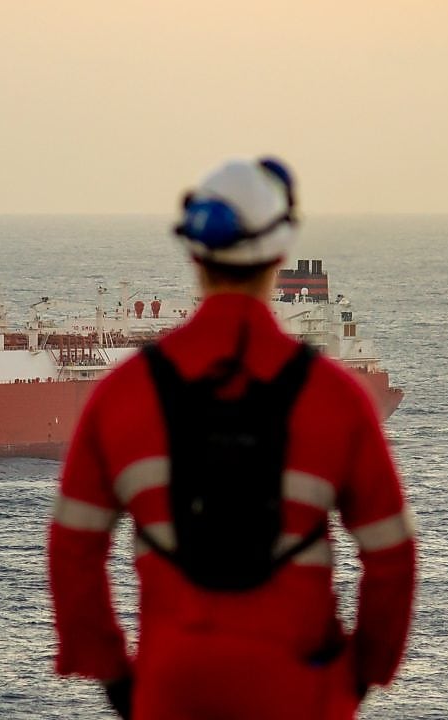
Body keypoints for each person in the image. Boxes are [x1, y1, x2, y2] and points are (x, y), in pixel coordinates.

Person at [48, 157, 417, 719]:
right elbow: (392, 555)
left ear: (194, 254)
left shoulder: (121, 394)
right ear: (280, 255)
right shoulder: (337, 397)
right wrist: (365, 673)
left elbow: (73, 549)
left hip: (172, 689)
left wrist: (116, 676)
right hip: (303, 694)